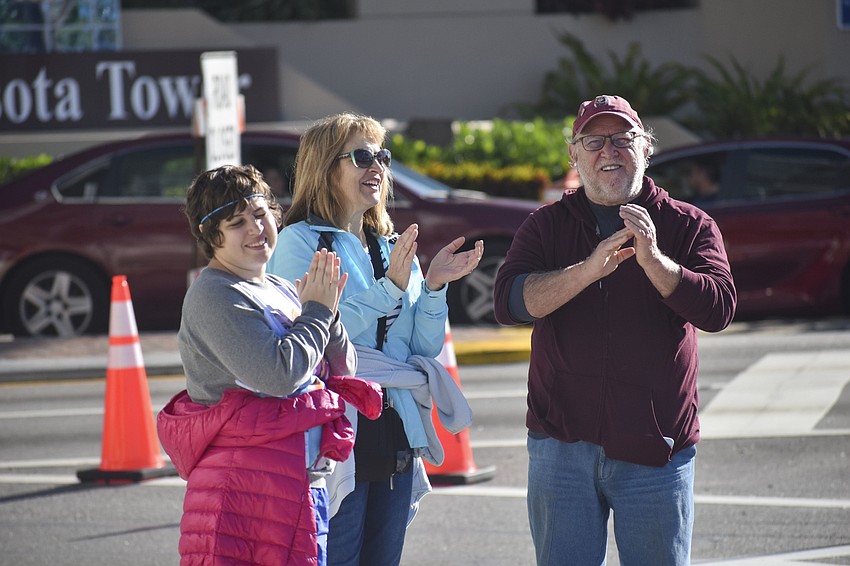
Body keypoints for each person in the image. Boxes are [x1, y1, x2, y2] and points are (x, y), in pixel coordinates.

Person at [493, 95, 737, 565]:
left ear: (646, 148)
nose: (609, 151)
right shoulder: (545, 226)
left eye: (623, 139)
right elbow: (509, 302)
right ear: (574, 154)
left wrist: (657, 264)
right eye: (594, 141)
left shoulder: (688, 225)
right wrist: (585, 272)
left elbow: (719, 309)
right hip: (560, 447)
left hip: (655, 449)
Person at [268, 112, 483, 566]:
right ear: (326, 168)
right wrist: (390, 289)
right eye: (362, 156)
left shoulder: (388, 244)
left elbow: (419, 350)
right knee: (336, 556)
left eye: (381, 155)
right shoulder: (299, 242)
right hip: (335, 427)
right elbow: (316, 332)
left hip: (395, 427)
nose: (377, 167)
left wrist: (436, 287)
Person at [156, 164, 382, 566]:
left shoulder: (277, 287)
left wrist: (327, 314)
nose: (256, 229)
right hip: (243, 491)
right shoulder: (214, 295)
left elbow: (343, 366)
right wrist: (315, 310)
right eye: (237, 222)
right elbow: (279, 376)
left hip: (293, 483)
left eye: (260, 215)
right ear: (212, 236)